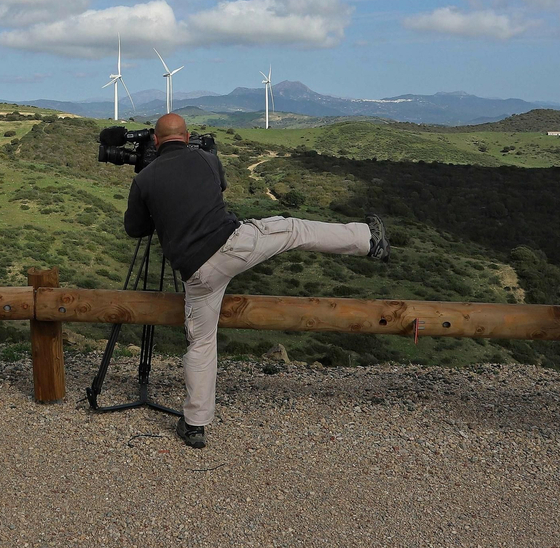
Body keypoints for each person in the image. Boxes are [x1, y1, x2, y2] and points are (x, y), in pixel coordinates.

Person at [123, 113, 388, 449]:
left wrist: (157, 204)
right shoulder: (205, 158)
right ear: (187, 136)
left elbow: (135, 229)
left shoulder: (145, 178)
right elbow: (218, 189)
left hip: (196, 272)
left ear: (157, 141)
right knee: (293, 229)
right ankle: (368, 240)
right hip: (232, 246)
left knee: (201, 343)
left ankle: (194, 425)